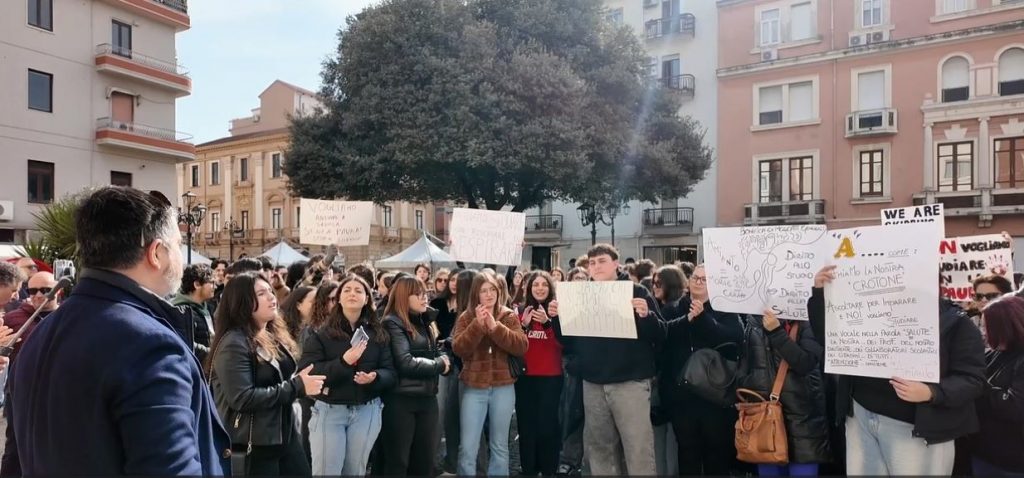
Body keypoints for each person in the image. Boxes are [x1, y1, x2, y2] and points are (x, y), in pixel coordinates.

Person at [10, 186, 229, 474]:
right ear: (156, 253)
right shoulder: (149, 345)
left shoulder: (40, 334)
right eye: (177, 244)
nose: (181, 256)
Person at [810, 265, 986, 475]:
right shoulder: (870, 312)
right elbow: (831, 340)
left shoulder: (956, 322)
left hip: (915, 428)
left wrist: (932, 392)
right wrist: (820, 294)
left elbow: (973, 379)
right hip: (860, 415)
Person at [557, 244, 666, 476]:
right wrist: (557, 318)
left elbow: (660, 334)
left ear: (616, 263)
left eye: (602, 261)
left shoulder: (637, 291)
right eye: (592, 262)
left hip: (630, 382)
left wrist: (646, 316)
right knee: (600, 450)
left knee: (637, 448)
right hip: (593, 383)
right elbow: (569, 341)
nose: (596, 266)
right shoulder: (580, 295)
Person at [208, 272, 324, 476]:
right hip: (255, 444)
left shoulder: (271, 334)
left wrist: (301, 382)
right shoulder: (234, 343)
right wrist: (297, 386)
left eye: (270, 291)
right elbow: (242, 398)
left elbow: (281, 377)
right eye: (261, 293)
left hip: (284, 435)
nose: (271, 297)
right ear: (242, 302)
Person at [299, 275, 395, 476]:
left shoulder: (378, 333)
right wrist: (343, 362)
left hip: (367, 409)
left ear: (367, 299)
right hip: (330, 409)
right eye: (347, 290)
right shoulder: (321, 333)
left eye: (359, 290)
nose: (353, 294)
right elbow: (308, 372)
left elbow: (390, 373)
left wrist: (375, 377)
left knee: (355, 471)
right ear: (339, 299)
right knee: (327, 471)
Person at [659, 265, 744, 476]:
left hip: (715, 395)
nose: (698, 282)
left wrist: (703, 318)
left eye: (704, 279)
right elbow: (663, 339)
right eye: (695, 277)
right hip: (681, 394)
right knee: (687, 453)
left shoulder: (725, 310)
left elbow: (733, 339)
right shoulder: (673, 308)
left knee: (717, 455)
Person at [452, 271, 529, 476]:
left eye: (492, 289)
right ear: (475, 294)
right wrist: (477, 325)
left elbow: (521, 346)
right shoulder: (467, 316)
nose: (489, 294)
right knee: (468, 447)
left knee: (500, 445)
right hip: (473, 387)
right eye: (483, 290)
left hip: (503, 387)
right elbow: (459, 349)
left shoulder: (508, 315)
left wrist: (495, 327)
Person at [736, 309, 831, 476]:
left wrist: (776, 332)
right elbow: (747, 363)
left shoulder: (808, 316)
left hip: (802, 420)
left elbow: (806, 363)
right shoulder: (753, 319)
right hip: (764, 419)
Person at [377, 276, 452, 476]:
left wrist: (444, 361)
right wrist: (440, 364)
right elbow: (405, 362)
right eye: (418, 294)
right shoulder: (392, 322)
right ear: (403, 296)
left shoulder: (425, 320)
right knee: (398, 463)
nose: (424, 297)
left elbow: (437, 352)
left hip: (427, 398)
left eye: (425, 293)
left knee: (424, 462)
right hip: (400, 401)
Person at [969, 295, 1024, 475]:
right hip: (987, 452)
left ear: (1004, 327)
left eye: (987, 326)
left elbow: (1015, 407)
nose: (983, 331)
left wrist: (976, 386)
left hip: (1011, 460)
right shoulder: (997, 353)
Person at [515, 271, 563, 476]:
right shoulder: (520, 311)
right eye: (536, 284)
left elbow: (563, 345)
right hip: (525, 377)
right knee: (526, 425)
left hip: (551, 377)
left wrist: (547, 323)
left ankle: (549, 467)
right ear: (529, 288)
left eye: (544, 284)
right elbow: (515, 345)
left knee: (548, 424)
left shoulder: (558, 311)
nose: (540, 288)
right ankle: (528, 468)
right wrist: (524, 326)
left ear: (550, 288)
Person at [429, 268, 463, 474]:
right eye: (451, 279)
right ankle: (430, 462)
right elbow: (430, 329)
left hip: (460, 363)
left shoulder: (468, 306)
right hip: (440, 361)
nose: (453, 283)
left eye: (458, 280)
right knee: (438, 413)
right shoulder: (436, 303)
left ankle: (452, 461)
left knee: (454, 415)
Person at [279, 284, 317, 464]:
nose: (318, 305)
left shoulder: (316, 329)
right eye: (313, 301)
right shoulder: (284, 332)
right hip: (296, 394)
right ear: (298, 305)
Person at [171, 264, 216, 365]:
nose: (215, 286)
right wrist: (212, 354)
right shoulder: (180, 311)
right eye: (211, 282)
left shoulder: (208, 307)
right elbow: (186, 344)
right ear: (197, 284)